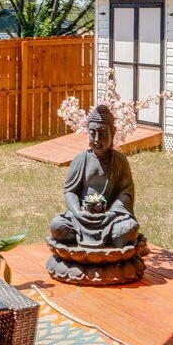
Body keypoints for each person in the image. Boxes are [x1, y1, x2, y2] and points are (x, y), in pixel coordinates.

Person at [47, 103, 142, 250]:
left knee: (128, 229)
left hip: (111, 217)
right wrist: (77, 212)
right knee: (57, 226)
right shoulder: (81, 159)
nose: (97, 139)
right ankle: (98, 244)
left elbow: (126, 193)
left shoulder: (120, 161)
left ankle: (103, 242)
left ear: (113, 133)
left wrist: (111, 213)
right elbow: (70, 191)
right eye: (93, 133)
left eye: (103, 134)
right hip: (82, 217)